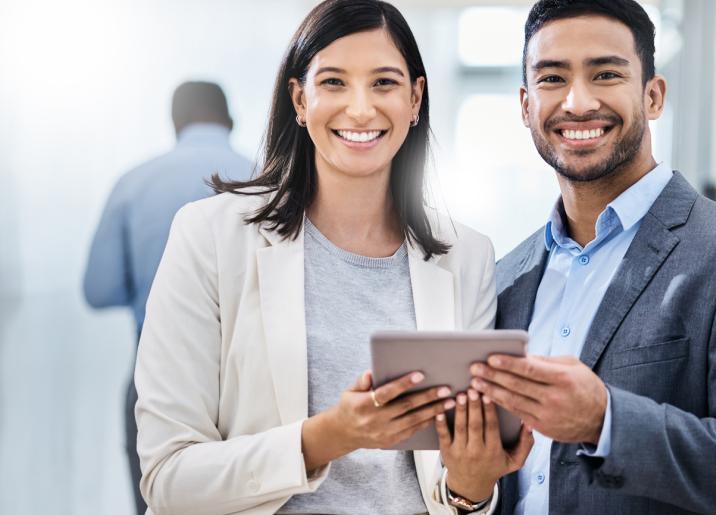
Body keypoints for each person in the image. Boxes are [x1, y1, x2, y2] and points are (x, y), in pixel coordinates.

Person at [133, 1, 532, 514]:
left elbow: (457, 493)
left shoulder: (467, 256)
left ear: (415, 99)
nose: (361, 109)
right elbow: (168, 479)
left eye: (385, 83)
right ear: (300, 100)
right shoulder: (209, 235)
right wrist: (328, 436)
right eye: (334, 82)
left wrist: (472, 490)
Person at [465, 1, 716, 514]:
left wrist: (605, 422)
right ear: (525, 105)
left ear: (653, 95)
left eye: (605, 74)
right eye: (552, 79)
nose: (578, 103)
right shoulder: (503, 278)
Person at [82, 80, 252, 515]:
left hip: (153, 372)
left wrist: (150, 290)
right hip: (250, 376)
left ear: (175, 123)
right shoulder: (266, 179)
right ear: (229, 120)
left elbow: (98, 290)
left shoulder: (133, 183)